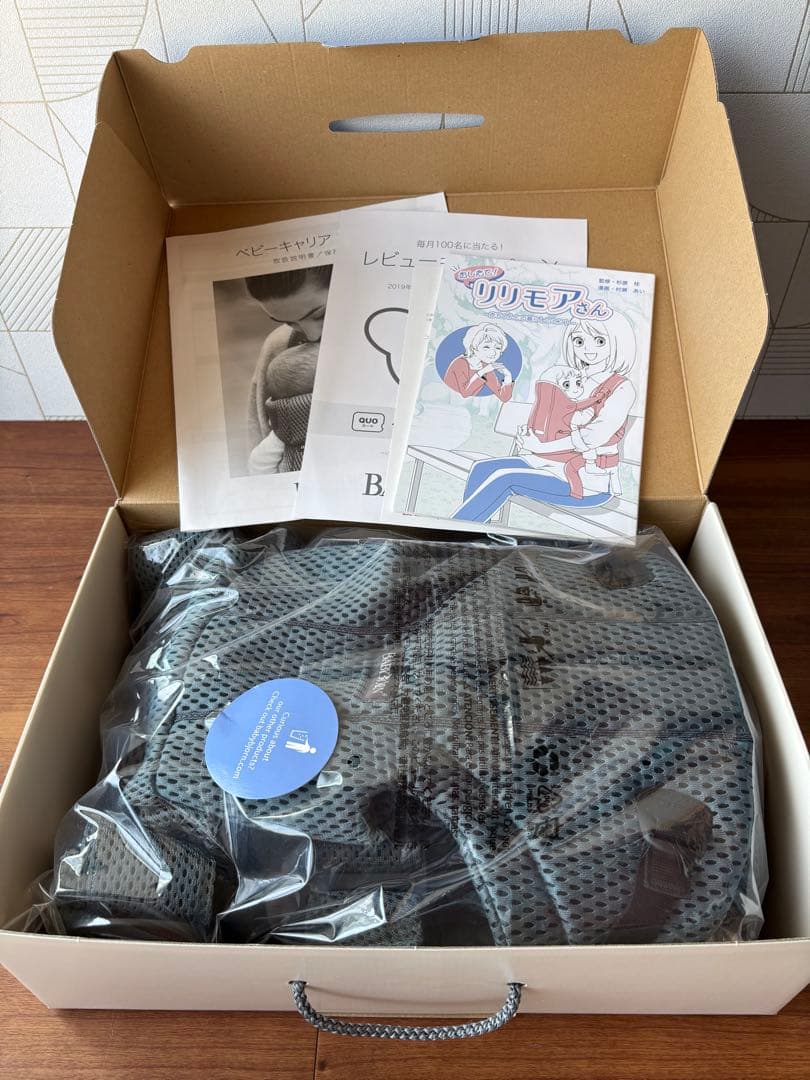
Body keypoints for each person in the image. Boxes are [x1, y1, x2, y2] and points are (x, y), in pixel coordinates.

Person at [451, 313, 636, 523]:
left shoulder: (621, 387)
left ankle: (456, 534)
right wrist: (530, 435)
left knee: (505, 479)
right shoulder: (570, 377)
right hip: (549, 463)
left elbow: (593, 436)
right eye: (579, 341)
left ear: (619, 343)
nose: (587, 349)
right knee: (482, 468)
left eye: (600, 341)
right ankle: (471, 528)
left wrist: (539, 447)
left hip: (587, 479)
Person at [244, 265, 332, 475]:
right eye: (289, 322)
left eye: (321, 315)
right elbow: (260, 449)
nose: (311, 336)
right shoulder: (280, 344)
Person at [442, 323, 514, 402]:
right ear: (473, 347)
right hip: (447, 401)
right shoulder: (460, 363)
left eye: (498, 348)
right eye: (486, 347)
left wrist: (508, 376)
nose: (493, 352)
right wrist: (482, 372)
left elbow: (504, 397)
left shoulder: (485, 366)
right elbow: (465, 393)